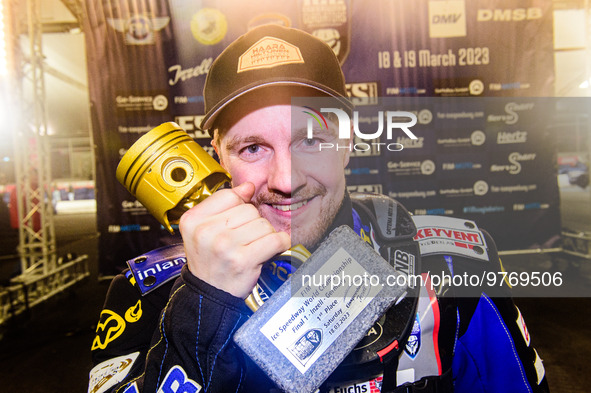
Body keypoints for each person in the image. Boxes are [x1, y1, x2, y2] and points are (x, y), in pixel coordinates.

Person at [89, 25, 549, 393]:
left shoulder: (451, 264)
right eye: (252, 148)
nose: (285, 181)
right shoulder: (146, 294)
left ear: (346, 143)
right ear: (218, 155)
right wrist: (202, 307)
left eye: (310, 140)